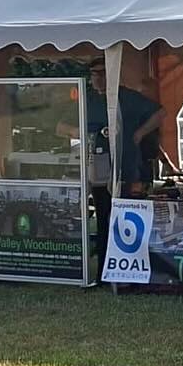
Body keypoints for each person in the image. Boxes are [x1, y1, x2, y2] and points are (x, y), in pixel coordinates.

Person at [58, 58, 165, 271]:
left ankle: (131, 266)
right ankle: (103, 267)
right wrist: (80, 133)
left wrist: (139, 134)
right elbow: (60, 126)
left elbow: (160, 113)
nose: (98, 78)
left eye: (102, 73)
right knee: (103, 215)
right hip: (97, 167)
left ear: (112, 74)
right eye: (94, 74)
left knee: (126, 215)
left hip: (126, 166)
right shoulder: (87, 100)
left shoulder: (128, 97)